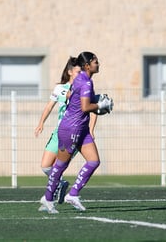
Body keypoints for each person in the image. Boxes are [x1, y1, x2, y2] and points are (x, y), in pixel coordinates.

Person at [39, 51, 113, 214]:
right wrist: (101, 105)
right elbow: (86, 107)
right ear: (87, 65)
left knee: (93, 161)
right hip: (70, 128)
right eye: (95, 62)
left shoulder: (81, 79)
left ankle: (72, 194)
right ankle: (48, 198)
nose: (98, 64)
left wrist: (96, 101)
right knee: (60, 165)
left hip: (82, 128)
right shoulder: (85, 82)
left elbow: (72, 95)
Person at [34, 56, 97, 208]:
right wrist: (41, 123)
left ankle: (58, 195)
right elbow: (51, 106)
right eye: (77, 71)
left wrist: (92, 129)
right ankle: (57, 188)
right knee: (46, 166)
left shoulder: (83, 85)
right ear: (70, 72)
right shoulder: (64, 88)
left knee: (68, 163)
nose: (80, 72)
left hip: (78, 129)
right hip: (64, 130)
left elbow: (91, 109)